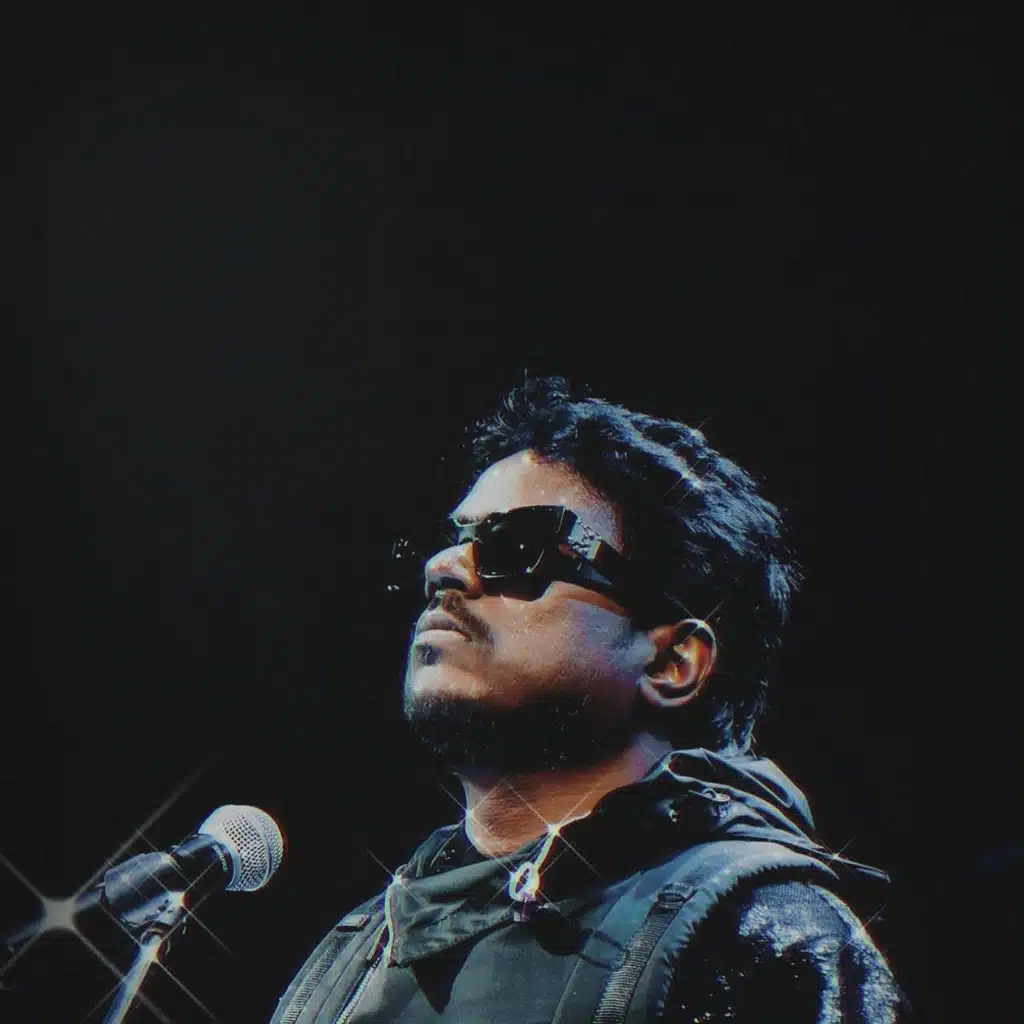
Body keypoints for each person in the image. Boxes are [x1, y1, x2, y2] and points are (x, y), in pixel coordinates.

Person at [270, 376, 913, 1022]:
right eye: (453, 541)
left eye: (516, 545)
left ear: (670, 662)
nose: (444, 567)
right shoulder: (353, 952)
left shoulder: (759, 932)